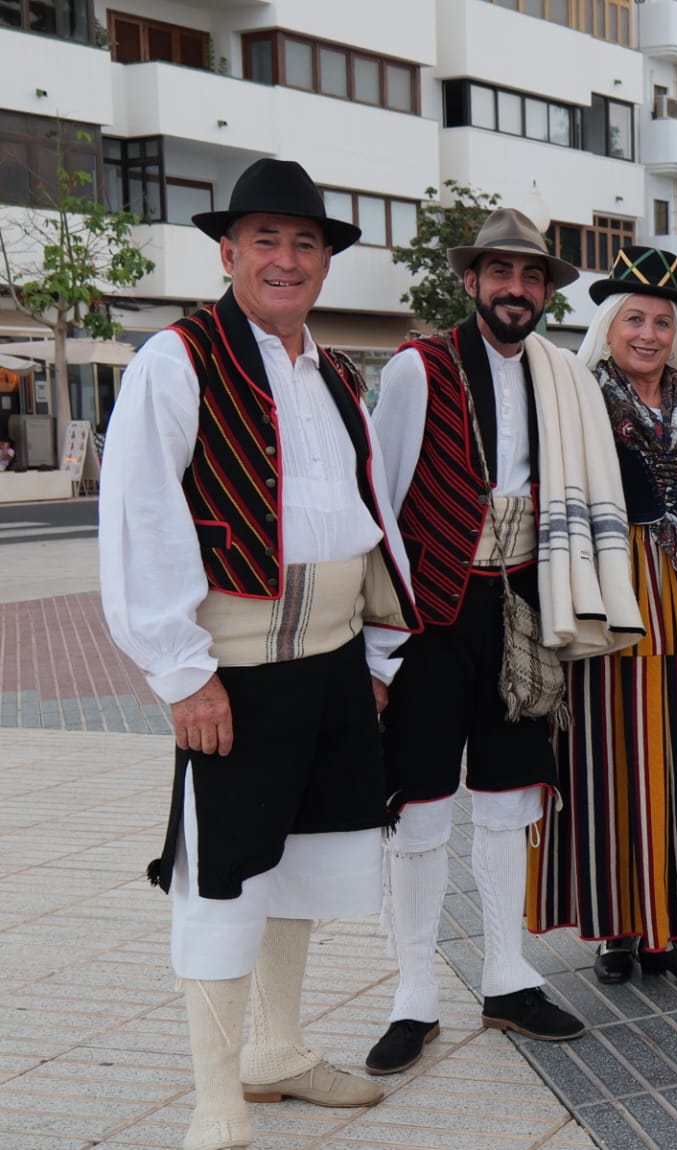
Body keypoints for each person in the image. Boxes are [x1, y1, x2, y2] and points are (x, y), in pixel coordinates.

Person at [99, 158, 416, 1150]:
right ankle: (214, 1099)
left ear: (326, 262)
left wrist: (375, 657)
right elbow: (141, 515)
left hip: (329, 665)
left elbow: (369, 520)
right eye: (266, 241)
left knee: (309, 864)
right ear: (228, 252)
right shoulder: (177, 360)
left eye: (305, 242)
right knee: (224, 877)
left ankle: (276, 1050)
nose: (287, 260)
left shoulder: (334, 375)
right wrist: (181, 671)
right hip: (231, 669)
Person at [367, 208, 642, 1073]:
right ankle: (413, 991)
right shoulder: (418, 370)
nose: (516, 290)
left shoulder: (560, 376)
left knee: (510, 796)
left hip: (524, 601)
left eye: (531, 278)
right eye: (501, 274)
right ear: (472, 281)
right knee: (416, 807)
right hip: (433, 614)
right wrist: (378, 647)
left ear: (546, 292)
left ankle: (505, 973)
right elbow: (381, 503)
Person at [524, 247, 677, 990]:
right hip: (611, 584)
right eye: (634, 319)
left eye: (662, 320)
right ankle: (619, 926)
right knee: (609, 751)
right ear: (609, 326)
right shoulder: (576, 396)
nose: (649, 333)